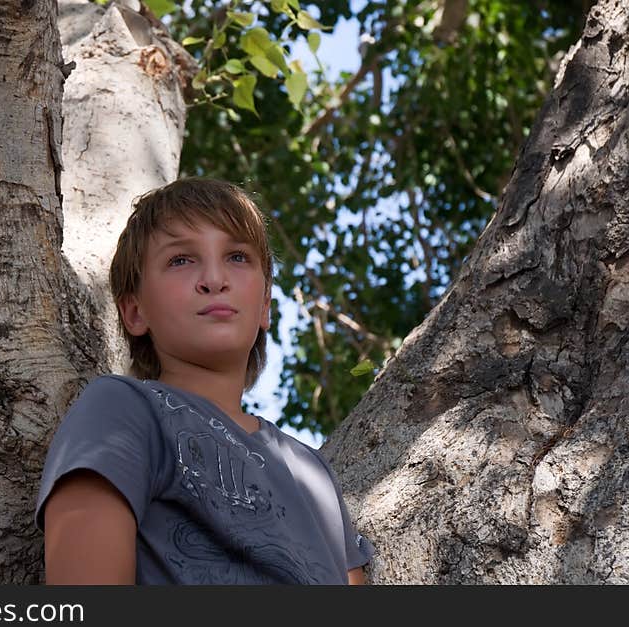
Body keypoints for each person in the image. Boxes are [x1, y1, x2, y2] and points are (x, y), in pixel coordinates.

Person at [35, 177, 375, 584]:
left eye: (237, 257)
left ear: (265, 306)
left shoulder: (313, 472)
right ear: (135, 312)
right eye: (181, 260)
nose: (214, 278)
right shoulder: (121, 408)